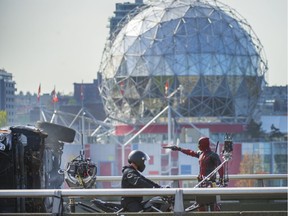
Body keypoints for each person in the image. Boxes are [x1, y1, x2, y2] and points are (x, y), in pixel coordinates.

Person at [170, 137, 224, 211]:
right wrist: (179, 149)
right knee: (200, 205)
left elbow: (220, 167)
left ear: (204, 144)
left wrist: (221, 178)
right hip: (201, 183)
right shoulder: (201, 153)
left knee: (213, 205)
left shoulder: (213, 155)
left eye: (200, 144)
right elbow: (190, 152)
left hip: (210, 184)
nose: (198, 146)